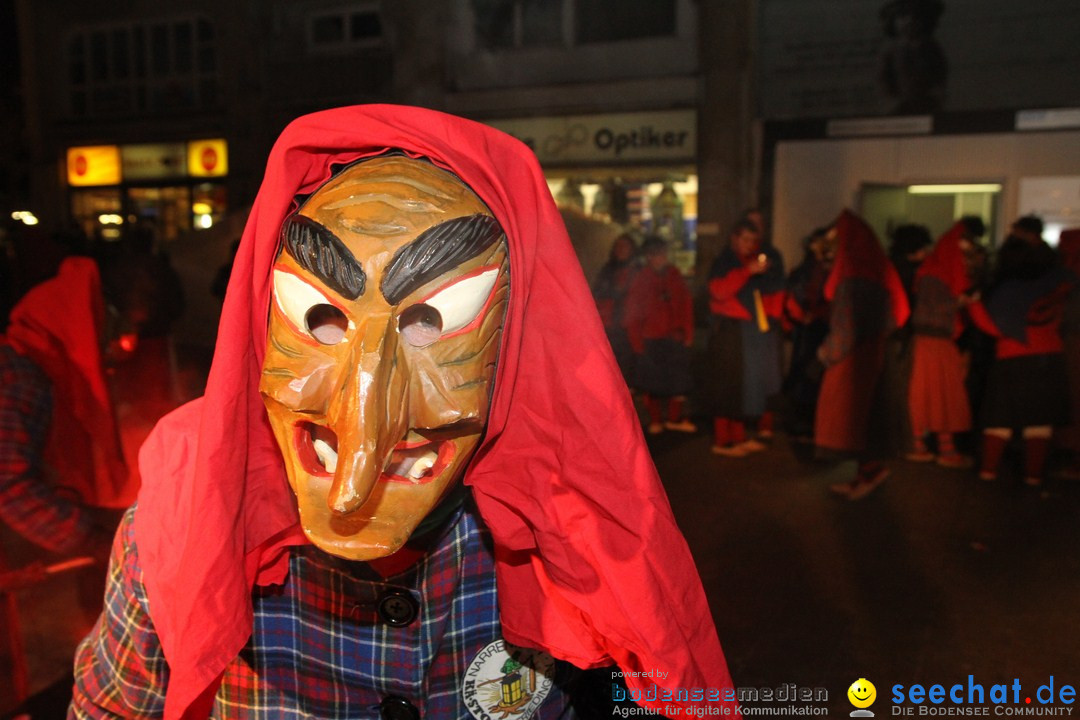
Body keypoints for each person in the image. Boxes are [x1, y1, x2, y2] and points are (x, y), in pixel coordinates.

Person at [70, 106, 736, 720]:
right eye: (321, 319)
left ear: (516, 353)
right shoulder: (180, 524)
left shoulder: (576, 543)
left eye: (432, 324)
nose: (366, 416)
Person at [1, 257, 129, 557]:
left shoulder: (28, 366)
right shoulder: (18, 378)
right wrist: (96, 543)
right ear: (76, 333)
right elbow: (10, 489)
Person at [967, 216, 1071, 486]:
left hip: (1012, 358)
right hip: (1049, 357)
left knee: (999, 418)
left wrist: (974, 306)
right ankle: (1033, 475)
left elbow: (994, 327)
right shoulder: (1059, 283)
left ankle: (988, 471)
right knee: (1039, 421)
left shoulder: (1007, 291)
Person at [816, 211, 910, 500]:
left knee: (855, 420)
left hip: (855, 363)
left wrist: (824, 356)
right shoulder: (878, 270)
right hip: (877, 355)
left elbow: (844, 331)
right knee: (870, 420)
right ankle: (864, 474)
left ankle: (868, 475)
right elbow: (898, 315)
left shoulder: (853, 278)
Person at [705, 220, 785, 456]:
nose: (749, 245)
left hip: (747, 332)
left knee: (742, 386)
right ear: (734, 238)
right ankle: (723, 440)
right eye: (745, 240)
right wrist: (746, 272)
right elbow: (719, 291)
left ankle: (737, 437)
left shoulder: (747, 263)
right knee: (727, 385)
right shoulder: (724, 263)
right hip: (729, 331)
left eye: (752, 241)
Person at [905, 221, 976, 468]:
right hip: (933, 342)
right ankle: (937, 449)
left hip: (933, 343)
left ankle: (927, 447)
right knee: (935, 395)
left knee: (933, 394)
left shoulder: (934, 272)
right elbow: (930, 311)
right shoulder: (935, 275)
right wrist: (960, 304)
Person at [624, 236, 696, 434]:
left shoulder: (675, 276)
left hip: (674, 337)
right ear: (648, 257)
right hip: (651, 338)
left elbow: (686, 305)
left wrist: (687, 332)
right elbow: (633, 313)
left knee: (678, 381)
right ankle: (656, 419)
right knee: (652, 383)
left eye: (662, 254)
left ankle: (674, 418)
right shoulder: (641, 280)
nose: (660, 258)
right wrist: (637, 342)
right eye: (655, 255)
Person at [783, 227, 834, 441]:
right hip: (807, 330)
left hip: (824, 327)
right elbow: (792, 295)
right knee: (804, 373)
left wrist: (818, 314)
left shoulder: (832, 271)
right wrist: (802, 315)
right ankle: (801, 422)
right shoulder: (803, 271)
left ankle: (817, 424)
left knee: (820, 375)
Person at [592, 232, 639, 384]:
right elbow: (597, 293)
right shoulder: (607, 270)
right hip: (609, 323)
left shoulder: (638, 270)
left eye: (625, 247)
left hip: (630, 325)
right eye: (618, 247)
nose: (621, 250)